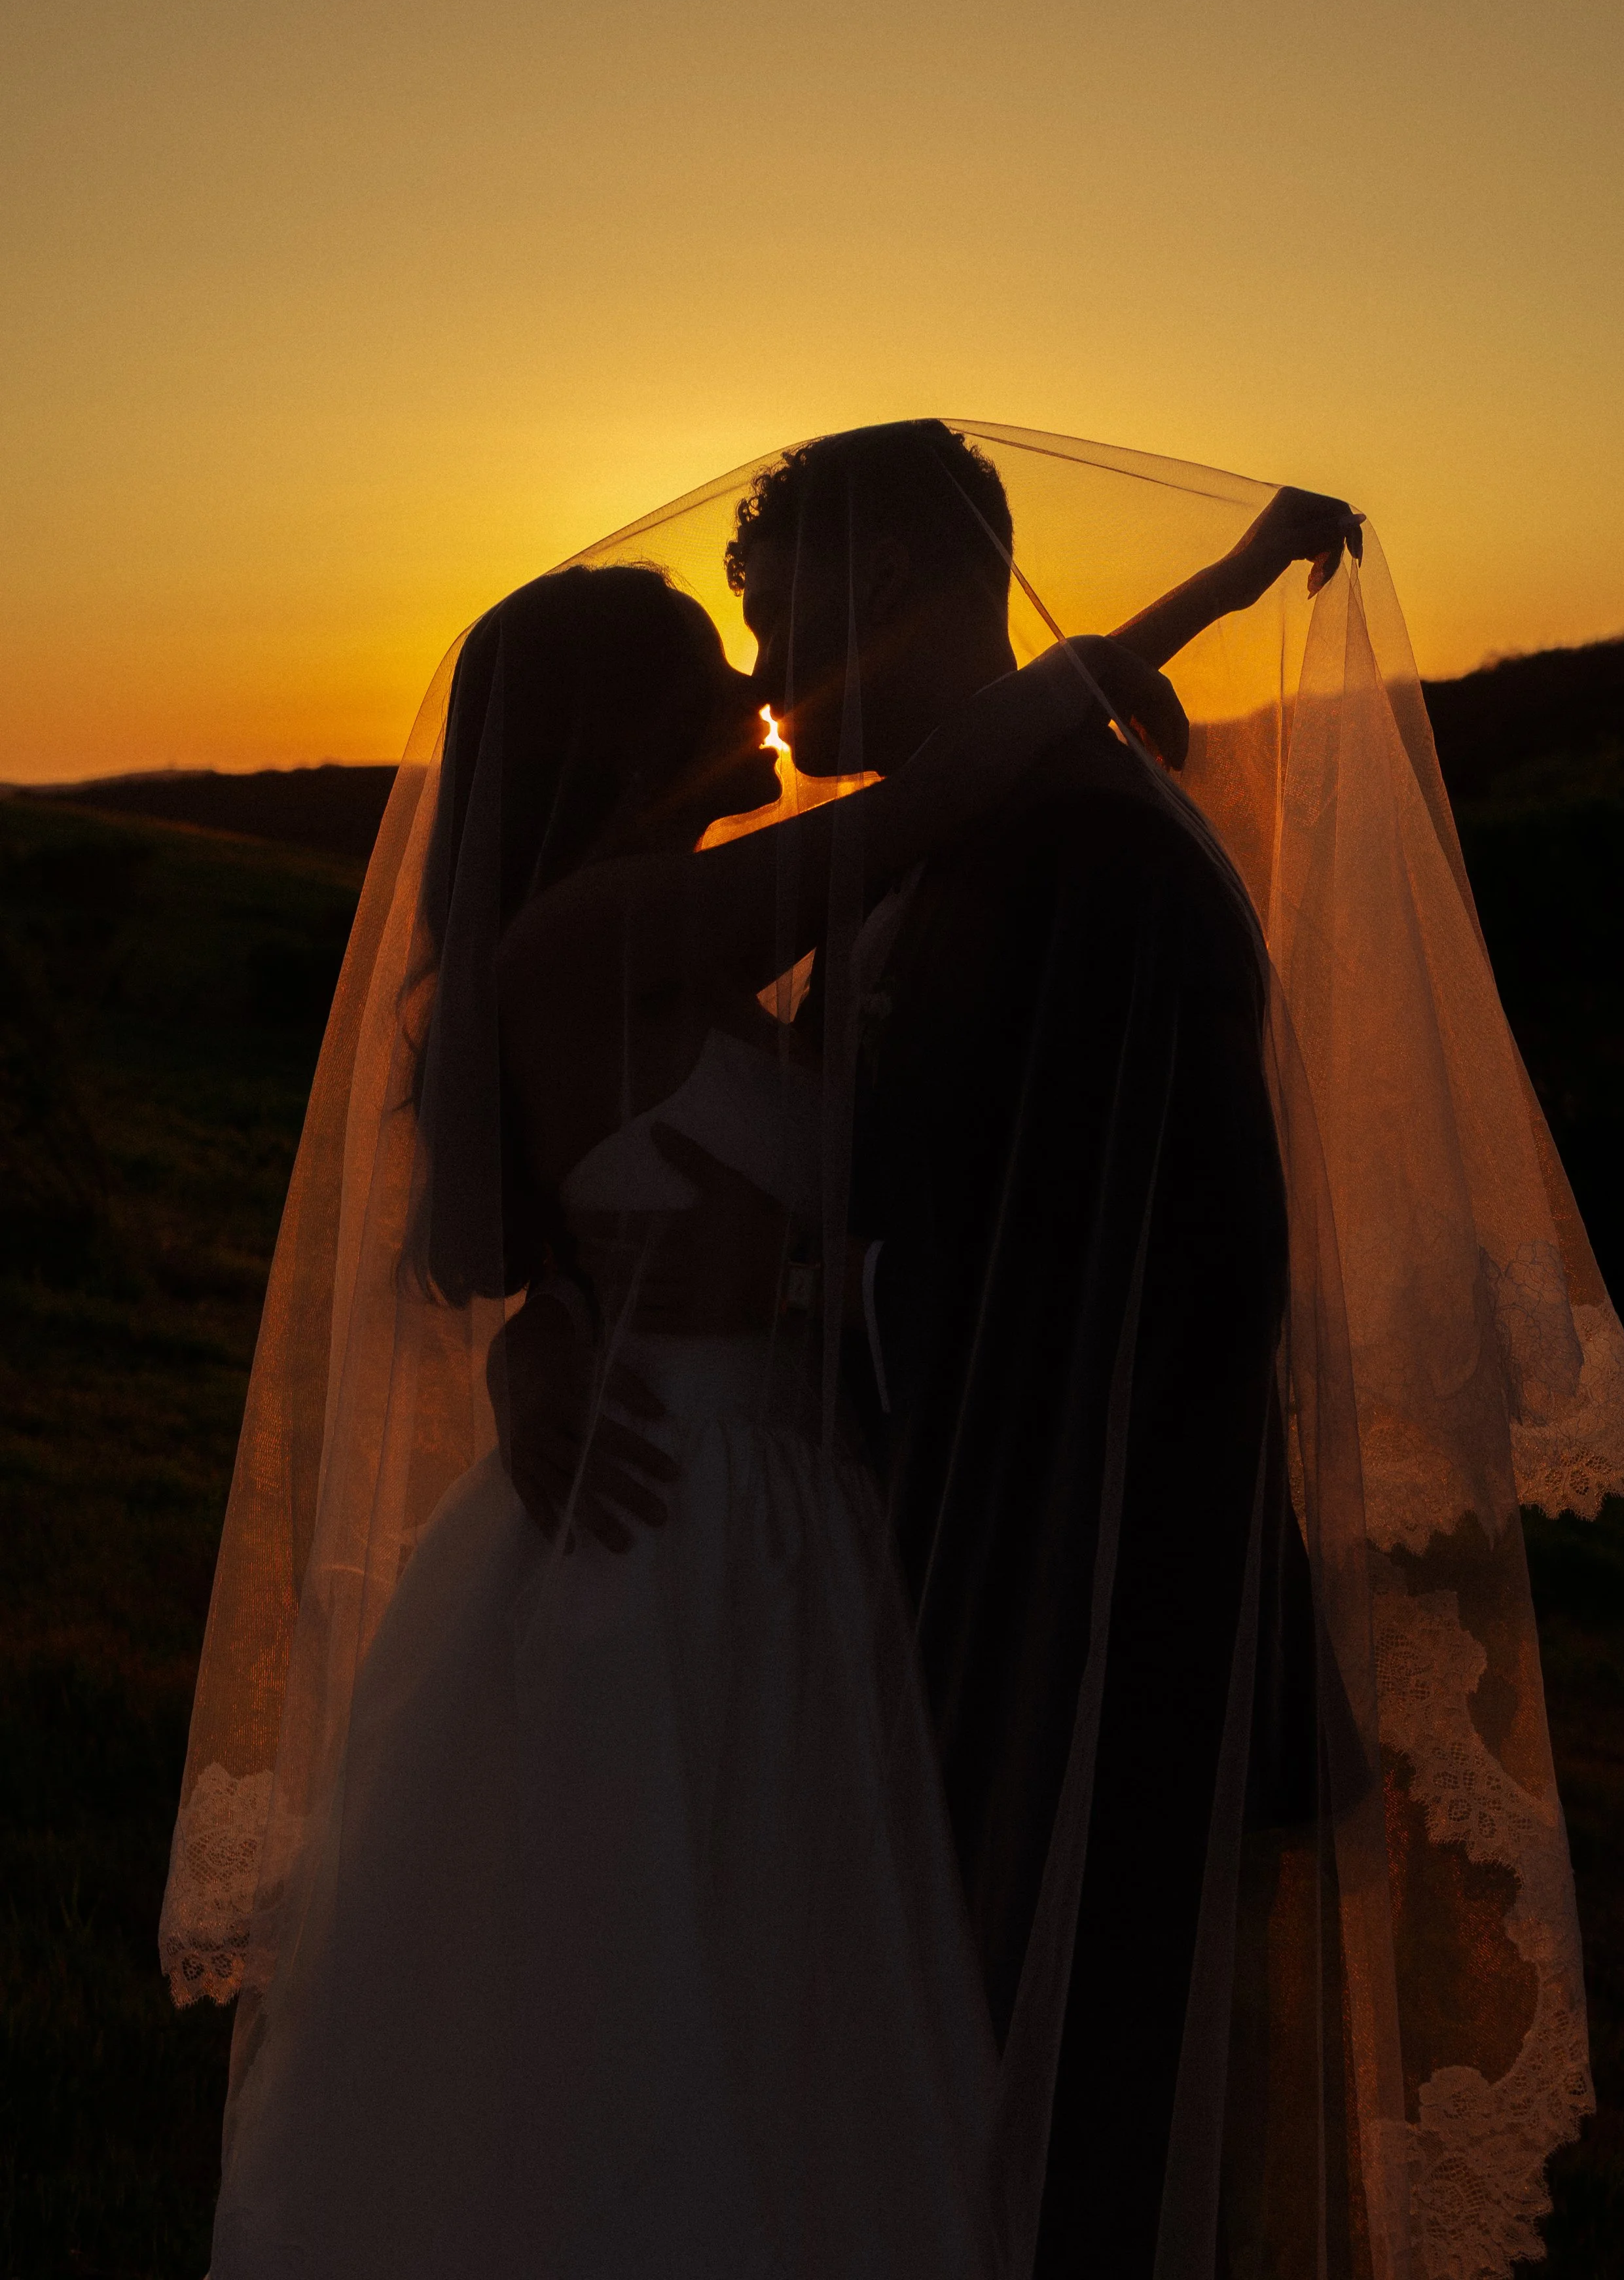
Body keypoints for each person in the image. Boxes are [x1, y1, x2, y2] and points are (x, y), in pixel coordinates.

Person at [202, 554, 1178, 2277]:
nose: (755, 689)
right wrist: (1211, 591)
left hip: (775, 1502)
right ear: (629, 726)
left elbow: (611, 1215)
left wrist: (561, 1313)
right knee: (641, 2005)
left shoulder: (681, 952)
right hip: (672, 1522)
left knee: (780, 1994)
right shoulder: (603, 929)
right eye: (711, 672)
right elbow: (937, 795)